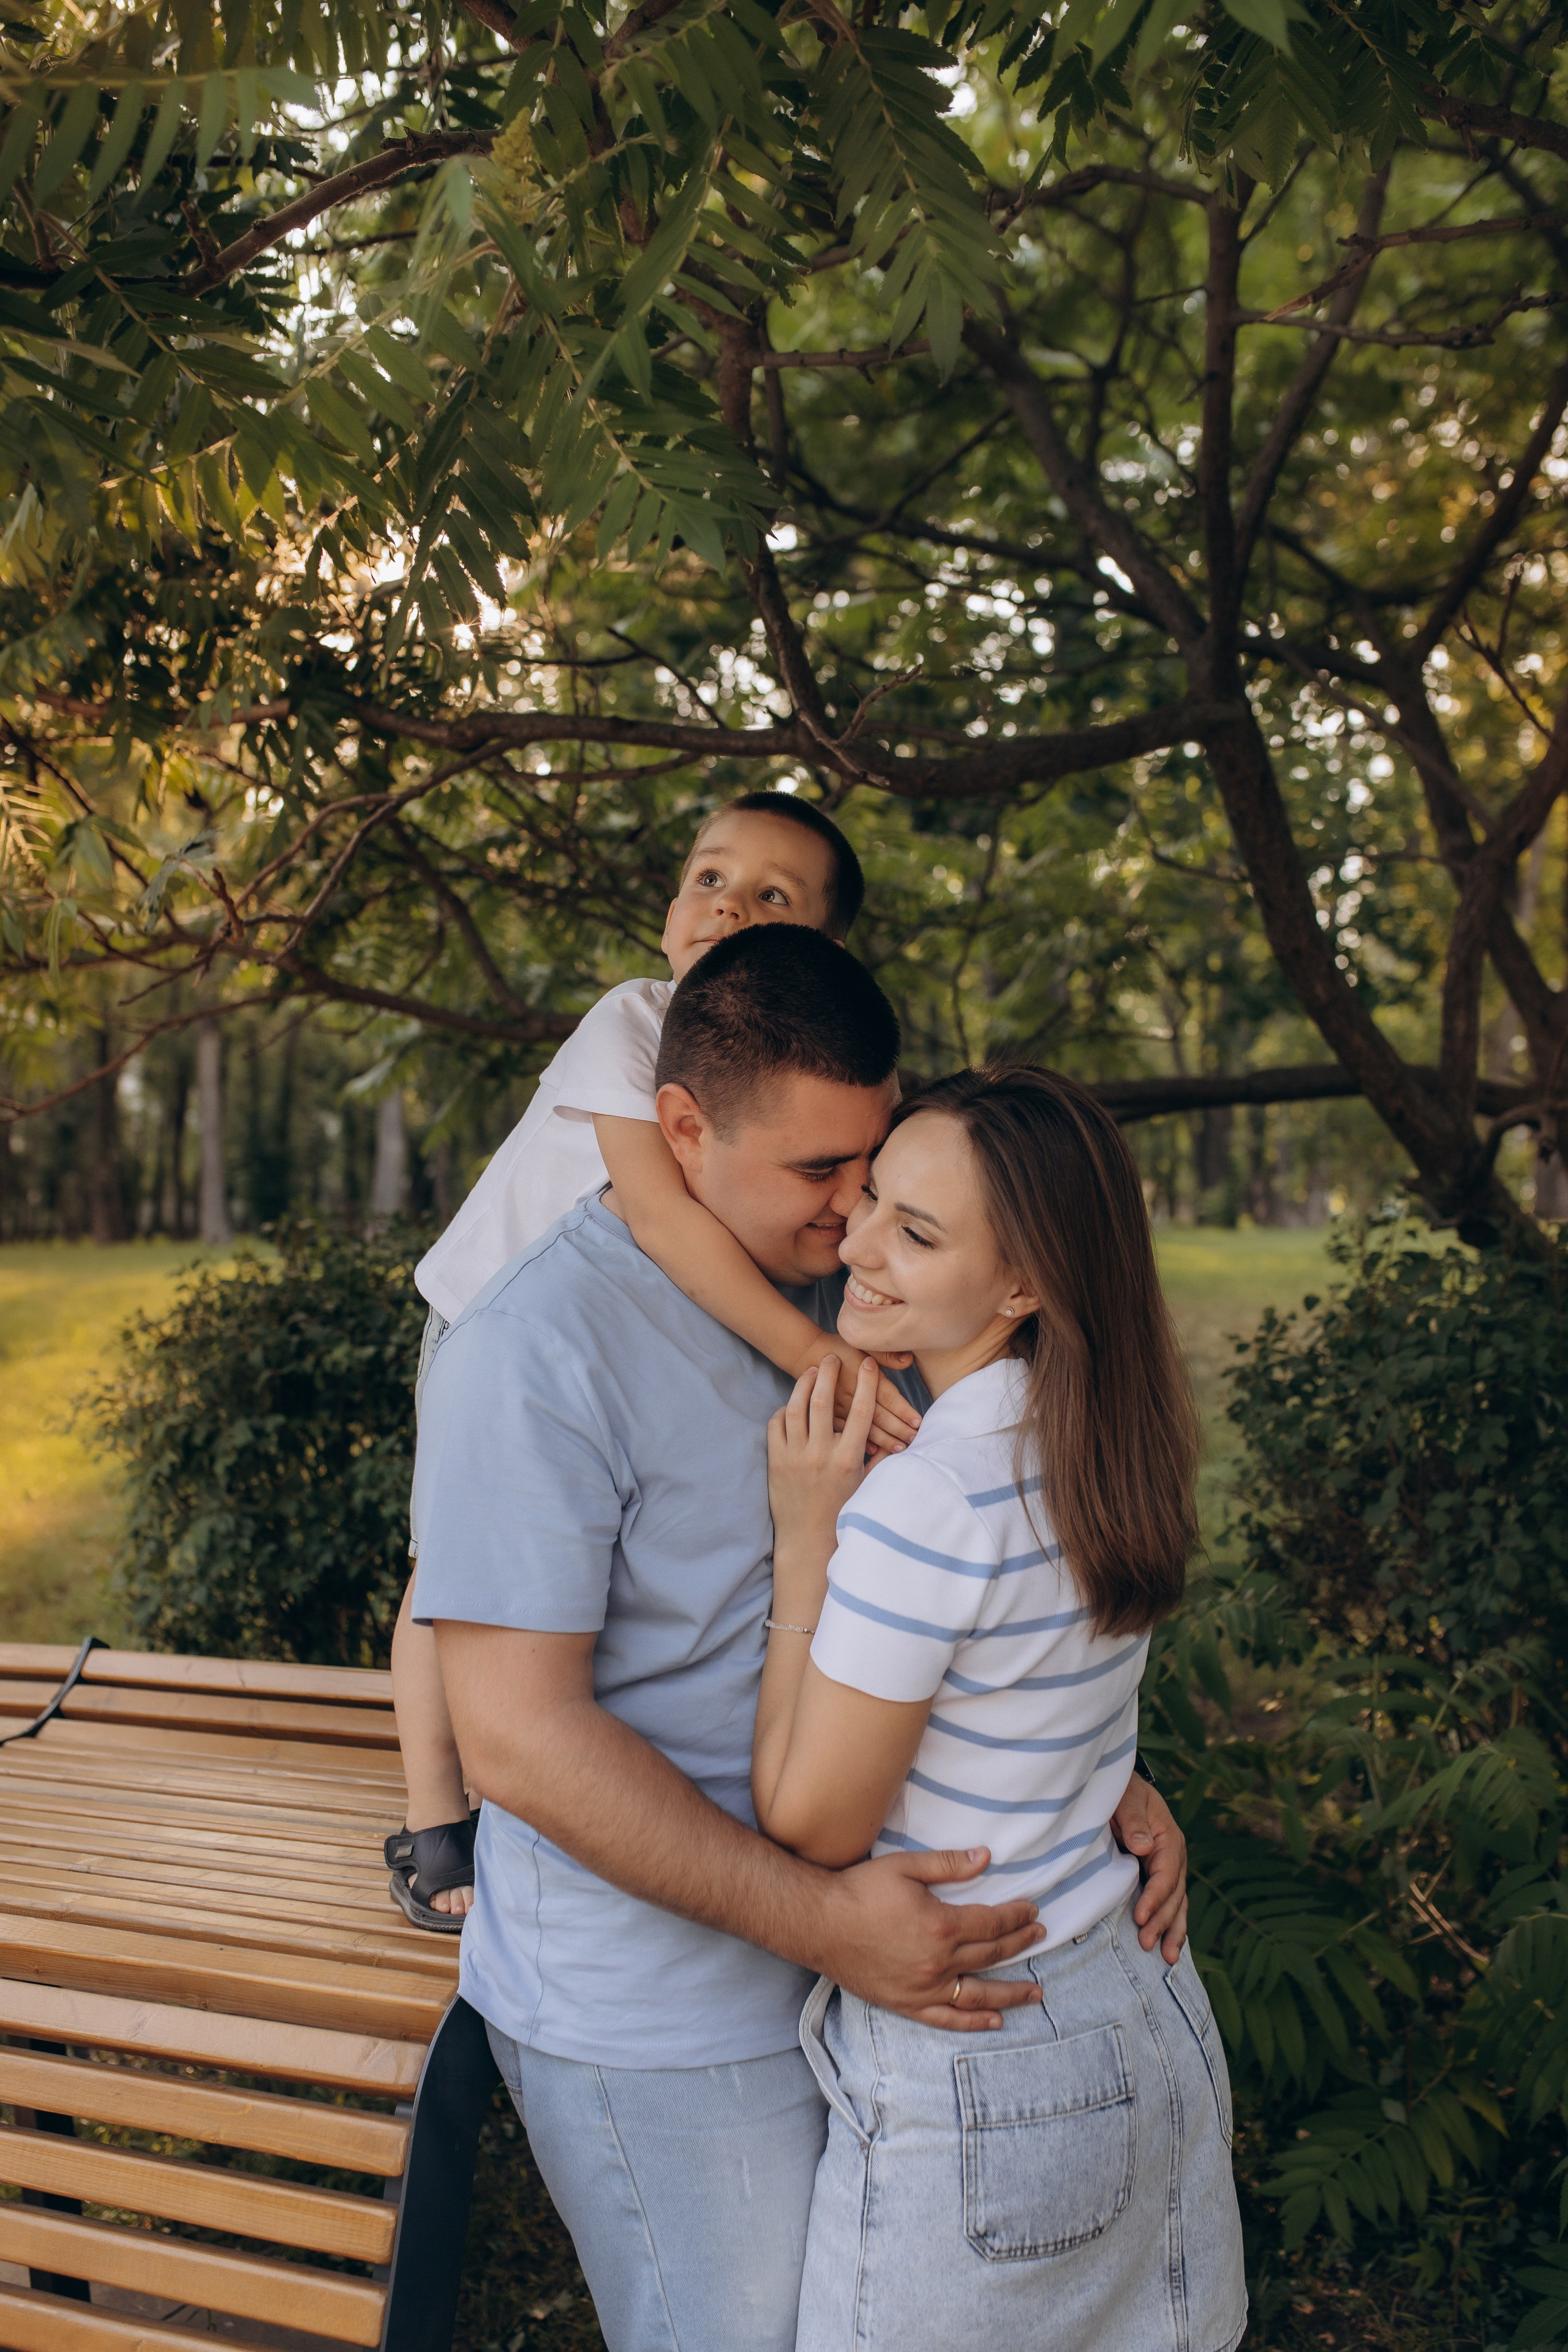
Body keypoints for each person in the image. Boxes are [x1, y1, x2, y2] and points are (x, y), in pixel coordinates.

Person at [414, 927, 1193, 2352]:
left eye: (873, 1164)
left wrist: (1074, 1777)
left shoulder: (864, 1282)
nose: (852, 1218)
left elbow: (980, 1580)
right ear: (680, 1131)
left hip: (874, 1982)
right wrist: (824, 1923)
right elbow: (516, 1742)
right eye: (818, 1177)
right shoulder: (529, 1353)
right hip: (669, 2014)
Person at [753, 1063, 1246, 2352]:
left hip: (989, 2043)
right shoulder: (1099, 1441)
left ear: (1022, 1282)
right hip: (1138, 2000)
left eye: (914, 1234)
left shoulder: (929, 1502)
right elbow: (1049, 1712)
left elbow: (810, 1824)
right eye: (868, 1203)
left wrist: (805, 1545)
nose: (855, 1245)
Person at [385, 793, 919, 1929]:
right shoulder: (631, 1023)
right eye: (708, 878)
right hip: (489, 1317)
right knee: (452, 1577)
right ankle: (435, 1821)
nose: (725, 906)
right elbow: (669, 1224)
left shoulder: (795, 1094)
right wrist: (820, 1356)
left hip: (605, 1332)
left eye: (771, 897)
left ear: (814, 954)